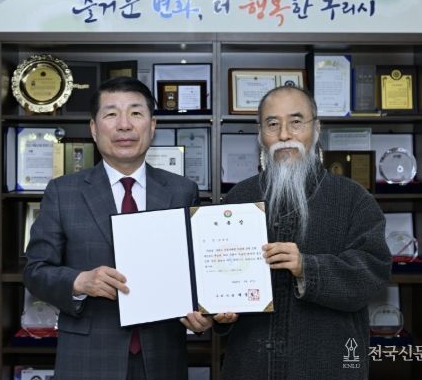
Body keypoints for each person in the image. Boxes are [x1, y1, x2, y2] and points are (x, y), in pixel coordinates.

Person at [24, 77, 211, 380]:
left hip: (162, 358)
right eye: (111, 114)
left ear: (152, 126)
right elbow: (35, 271)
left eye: (136, 113)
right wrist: (79, 281)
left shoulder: (182, 191)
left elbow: (198, 272)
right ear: (94, 128)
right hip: (87, 359)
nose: (124, 125)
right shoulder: (63, 192)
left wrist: (206, 312)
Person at [213, 85, 391, 379]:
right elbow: (220, 280)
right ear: (260, 134)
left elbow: (373, 273)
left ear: (316, 128)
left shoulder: (353, 199)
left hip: (329, 367)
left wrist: (307, 267)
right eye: (272, 124)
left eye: (296, 122)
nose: (284, 134)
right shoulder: (239, 199)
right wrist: (220, 314)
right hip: (249, 367)